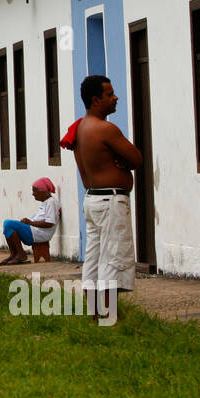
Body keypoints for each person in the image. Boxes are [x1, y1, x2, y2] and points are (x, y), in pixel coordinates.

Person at [73, 75, 142, 320]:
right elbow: (136, 159)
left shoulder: (79, 128)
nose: (115, 99)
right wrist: (119, 160)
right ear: (95, 100)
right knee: (112, 256)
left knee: (93, 256)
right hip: (110, 201)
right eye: (110, 94)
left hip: (92, 199)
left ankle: (95, 311)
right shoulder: (105, 129)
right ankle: (109, 315)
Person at [0, 178, 59, 264]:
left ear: (44, 191)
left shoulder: (51, 202)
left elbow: (50, 223)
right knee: (8, 225)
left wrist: (30, 223)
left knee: (8, 223)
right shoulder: (46, 202)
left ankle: (21, 254)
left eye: (35, 191)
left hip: (41, 234)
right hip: (35, 231)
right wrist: (27, 222)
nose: (33, 194)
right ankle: (14, 254)